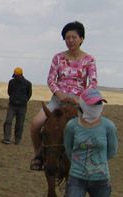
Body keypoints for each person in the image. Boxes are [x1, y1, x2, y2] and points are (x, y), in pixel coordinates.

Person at [29, 21, 97, 171]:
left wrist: (79, 99)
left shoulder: (89, 60)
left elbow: (92, 83)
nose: (70, 41)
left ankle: (90, 161)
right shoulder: (58, 58)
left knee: (93, 130)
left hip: (79, 103)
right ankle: (38, 156)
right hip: (58, 100)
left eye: (74, 37)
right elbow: (51, 80)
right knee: (35, 124)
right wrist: (60, 95)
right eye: (67, 38)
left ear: (82, 39)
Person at [2, 66, 32, 145]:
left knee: (20, 124)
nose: (15, 77)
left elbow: (29, 95)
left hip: (22, 107)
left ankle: (17, 140)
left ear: (20, 75)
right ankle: (6, 138)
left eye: (16, 76)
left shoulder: (28, 84)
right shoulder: (11, 82)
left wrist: (23, 101)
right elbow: (9, 92)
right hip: (12, 105)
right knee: (8, 121)